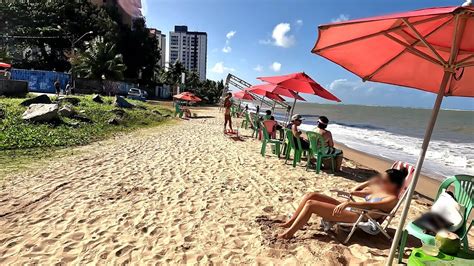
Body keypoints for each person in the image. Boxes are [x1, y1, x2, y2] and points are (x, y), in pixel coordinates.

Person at [277, 168, 407, 239]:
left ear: (393, 184)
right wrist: (371, 182)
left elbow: (371, 206)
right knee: (311, 195)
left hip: (357, 216)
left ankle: (289, 233)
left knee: (311, 204)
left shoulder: (392, 198)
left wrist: (348, 204)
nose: (380, 182)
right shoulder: (378, 190)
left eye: (383, 180)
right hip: (351, 209)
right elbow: (354, 191)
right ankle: (290, 222)